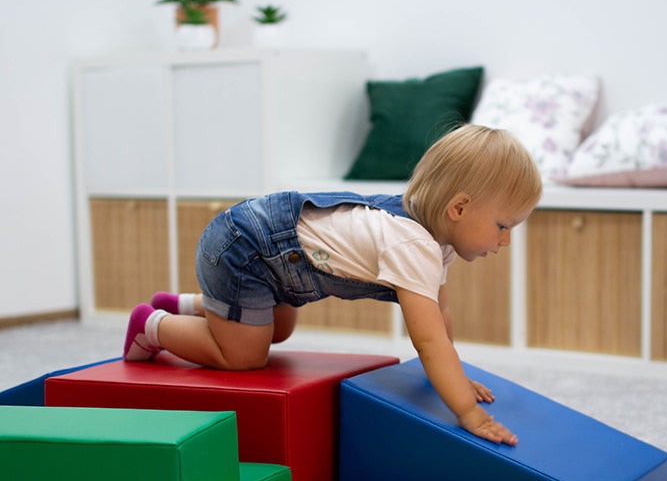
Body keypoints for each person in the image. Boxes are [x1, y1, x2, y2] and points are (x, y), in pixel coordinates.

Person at [123, 124, 542, 446]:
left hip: (274, 261)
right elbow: (428, 342)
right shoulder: (412, 243)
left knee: (279, 332)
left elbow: (440, 316)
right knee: (244, 357)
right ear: (459, 208)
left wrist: (454, 375)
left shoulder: (436, 240)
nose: (505, 240)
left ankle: (192, 305)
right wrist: (470, 414)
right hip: (245, 249)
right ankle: (153, 323)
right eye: (503, 226)